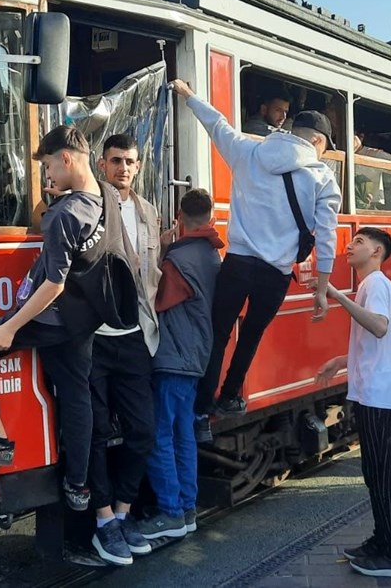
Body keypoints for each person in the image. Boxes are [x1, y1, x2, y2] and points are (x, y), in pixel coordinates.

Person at [0, 125, 137, 512]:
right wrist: (63, 197)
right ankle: (78, 485)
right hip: (84, 319)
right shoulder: (107, 195)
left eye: (49, 166)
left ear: (66, 158)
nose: (47, 177)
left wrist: (10, 326)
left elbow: (53, 285)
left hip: (50, 318)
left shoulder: (63, 215)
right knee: (76, 393)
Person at [170, 80, 342, 431]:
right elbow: (326, 237)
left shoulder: (247, 152)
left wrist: (189, 96)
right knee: (250, 334)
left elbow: (216, 124)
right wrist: (322, 288)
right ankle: (230, 394)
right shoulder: (321, 176)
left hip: (237, 264)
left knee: (217, 333)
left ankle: (200, 410)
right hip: (274, 274)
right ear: (317, 142)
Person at [313, 228, 391, 579]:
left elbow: (380, 327)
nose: (350, 246)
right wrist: (341, 360)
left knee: (380, 473)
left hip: (380, 395)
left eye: (359, 242)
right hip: (375, 391)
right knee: (374, 472)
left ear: (377, 251)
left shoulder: (376, 284)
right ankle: (382, 541)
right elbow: (375, 340)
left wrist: (336, 294)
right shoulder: (372, 286)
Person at [86, 134, 161, 566]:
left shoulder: (148, 211)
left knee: (142, 431)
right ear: (101, 164)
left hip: (134, 336)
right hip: (92, 338)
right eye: (116, 161)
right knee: (94, 434)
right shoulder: (91, 202)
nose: (124, 169)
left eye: (130, 162)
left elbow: (150, 275)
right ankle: (102, 522)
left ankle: (123, 512)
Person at [140, 189, 223, 541]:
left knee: (159, 433)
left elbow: (158, 300)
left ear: (178, 218)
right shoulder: (211, 254)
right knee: (184, 433)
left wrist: (155, 254)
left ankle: (172, 512)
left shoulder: (179, 260)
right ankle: (187, 509)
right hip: (197, 354)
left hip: (175, 355)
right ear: (211, 219)